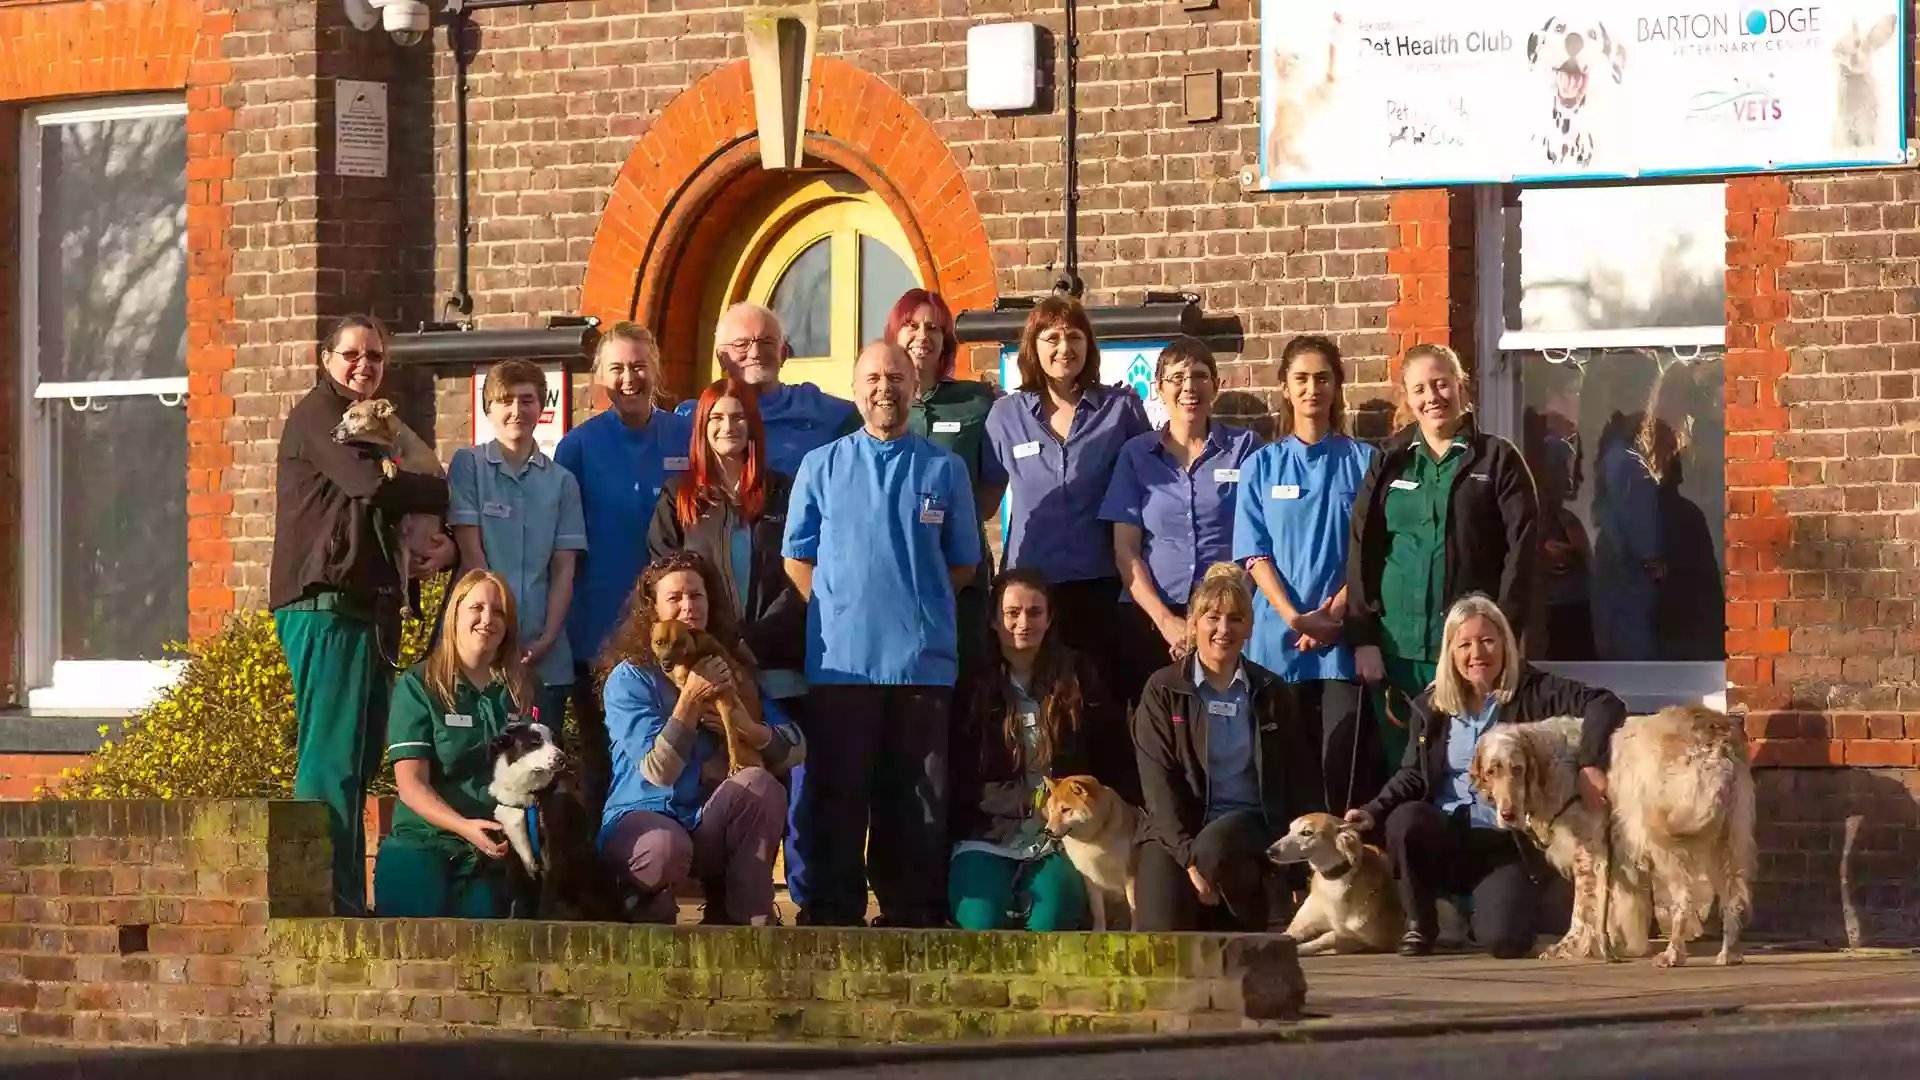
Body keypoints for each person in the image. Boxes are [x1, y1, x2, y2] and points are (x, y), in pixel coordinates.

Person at [782, 340, 982, 927]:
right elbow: (797, 557)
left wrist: (917, 605)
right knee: (839, 794)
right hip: (842, 662)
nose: (884, 389)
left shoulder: (943, 469)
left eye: (895, 378)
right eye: (872, 378)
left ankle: (911, 911)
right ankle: (832, 909)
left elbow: (963, 561)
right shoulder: (821, 466)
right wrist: (838, 609)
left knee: (916, 799)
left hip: (922, 663)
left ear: (913, 387)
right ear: (856, 387)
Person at [270, 313, 454, 916]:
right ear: (326, 359)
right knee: (330, 764)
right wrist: (434, 487)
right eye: (352, 355)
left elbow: (407, 496)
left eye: (374, 357)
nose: (363, 366)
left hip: (367, 611)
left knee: (357, 761)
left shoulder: (370, 423)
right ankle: (324, 907)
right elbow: (374, 488)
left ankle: (347, 899)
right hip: (326, 609)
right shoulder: (321, 417)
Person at [1343, 593, 1625, 958]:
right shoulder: (1432, 705)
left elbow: (1605, 702)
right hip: (1446, 831)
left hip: (1504, 842)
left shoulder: (1534, 691)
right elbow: (1413, 772)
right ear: (1451, 651)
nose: (1478, 652)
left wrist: (1589, 764)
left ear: (1505, 643)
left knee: (1504, 941)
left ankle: (1479, 911)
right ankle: (1420, 924)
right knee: (1406, 820)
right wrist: (1373, 809)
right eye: (1465, 644)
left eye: (1488, 640)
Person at [1345, 344, 1539, 774]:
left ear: (1461, 387)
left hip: (1469, 652)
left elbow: (1524, 551)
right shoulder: (1390, 462)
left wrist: (1503, 637)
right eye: (1420, 388)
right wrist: (1363, 637)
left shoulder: (1498, 459)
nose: (1433, 396)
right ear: (1408, 399)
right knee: (1407, 766)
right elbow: (1363, 546)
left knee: (1472, 765)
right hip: (1399, 650)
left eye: (1441, 384)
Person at [598, 551, 804, 925]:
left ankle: (748, 917)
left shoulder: (729, 666)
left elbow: (796, 746)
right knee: (665, 848)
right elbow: (659, 771)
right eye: (674, 598)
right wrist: (691, 698)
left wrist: (745, 725)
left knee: (761, 785)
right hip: (645, 819)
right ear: (653, 610)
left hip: (706, 821)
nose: (687, 606)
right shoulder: (631, 678)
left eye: (696, 596)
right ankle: (635, 897)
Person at [1232, 335, 1379, 813]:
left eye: (1322, 378)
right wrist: (1295, 617)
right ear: (1285, 388)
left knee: (1341, 768)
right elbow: (1254, 555)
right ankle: (1290, 881)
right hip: (1277, 641)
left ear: (1337, 386)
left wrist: (1332, 612)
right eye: (1301, 379)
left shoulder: (1365, 463)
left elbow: (1375, 549)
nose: (1312, 389)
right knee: (1283, 770)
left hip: (1341, 640)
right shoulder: (1260, 466)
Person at [1131, 563, 1322, 933]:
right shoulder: (1163, 689)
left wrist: (1302, 872)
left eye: (1235, 619)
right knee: (1156, 932)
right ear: (1194, 623)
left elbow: (1300, 778)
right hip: (1177, 831)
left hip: (1248, 825)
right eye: (1212, 617)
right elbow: (1158, 785)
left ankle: (1241, 910)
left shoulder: (1271, 691)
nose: (1223, 629)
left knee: (1217, 846)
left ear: (1249, 627)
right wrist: (1186, 860)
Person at [554, 323, 694, 820]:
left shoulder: (687, 435)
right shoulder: (577, 448)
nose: (629, 378)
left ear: (655, 369)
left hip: (679, 631)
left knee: (685, 760)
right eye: (617, 368)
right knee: (605, 764)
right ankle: (606, 885)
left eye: (638, 366)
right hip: (598, 632)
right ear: (600, 376)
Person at [983, 296, 1152, 693]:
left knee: (1099, 702)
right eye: (1052, 337)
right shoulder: (1005, 416)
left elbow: (1152, 486)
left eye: (1074, 337)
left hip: (1099, 583)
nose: (1064, 348)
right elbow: (985, 499)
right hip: (1029, 586)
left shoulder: (1121, 409)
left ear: (1089, 346)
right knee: (1034, 698)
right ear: (1033, 346)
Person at [948, 570, 1124, 931]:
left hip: (1061, 838)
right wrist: (1024, 803)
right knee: (980, 922)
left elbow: (1105, 755)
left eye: (1034, 612)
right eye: (1012, 613)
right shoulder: (972, 682)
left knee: (1051, 922)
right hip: (988, 833)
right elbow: (959, 775)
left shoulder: (1077, 677)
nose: (1023, 622)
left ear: (1049, 618)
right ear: (994, 620)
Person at [1100, 338, 1262, 706]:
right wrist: (1165, 621)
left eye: (1200, 376)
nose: (1189, 387)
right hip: (1151, 617)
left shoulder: (1246, 449)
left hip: (1225, 617)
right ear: (1158, 388)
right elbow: (1126, 550)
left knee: (1221, 719)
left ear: (1217, 385)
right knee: (1154, 728)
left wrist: (1229, 611)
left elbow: (1261, 536)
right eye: (1176, 378)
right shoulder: (1136, 455)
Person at [373, 569, 531, 918]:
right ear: (454, 615)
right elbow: (411, 785)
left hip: (491, 852)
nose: (487, 619)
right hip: (424, 844)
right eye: (477, 607)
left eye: (499, 611)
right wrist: (465, 827)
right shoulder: (419, 685)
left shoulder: (520, 690)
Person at [646, 378, 806, 699]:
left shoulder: (784, 493)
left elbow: (801, 578)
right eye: (717, 418)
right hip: (704, 665)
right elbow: (666, 581)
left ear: (753, 426)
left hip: (778, 667)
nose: (727, 427)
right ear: (703, 426)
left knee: (782, 746)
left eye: (738, 417)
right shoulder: (678, 497)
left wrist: (755, 642)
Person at [449, 359, 587, 730]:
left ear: (542, 407)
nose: (516, 410)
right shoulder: (469, 466)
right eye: (505, 400)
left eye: (526, 400)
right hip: (483, 643)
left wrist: (548, 637)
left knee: (538, 765)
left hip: (543, 655)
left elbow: (564, 569)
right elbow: (472, 554)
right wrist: (498, 628)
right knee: (481, 767)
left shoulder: (562, 482)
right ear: (488, 409)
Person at [895, 289, 1002, 676]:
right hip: (897, 574)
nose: (922, 336)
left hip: (960, 573)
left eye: (934, 328)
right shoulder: (870, 406)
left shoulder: (975, 402)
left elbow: (991, 488)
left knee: (966, 684)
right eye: (911, 326)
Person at [679, 302, 860, 475]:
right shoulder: (693, 417)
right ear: (722, 358)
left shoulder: (817, 407)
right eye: (741, 344)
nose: (756, 353)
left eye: (767, 342)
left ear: (783, 353)